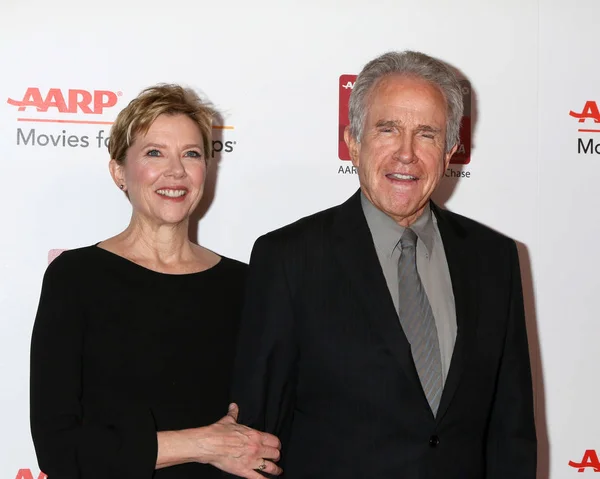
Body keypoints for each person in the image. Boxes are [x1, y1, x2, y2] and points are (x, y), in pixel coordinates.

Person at [231, 51, 537, 478]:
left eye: (426, 134)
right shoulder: (288, 258)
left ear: (450, 151)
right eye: (388, 129)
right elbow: (256, 438)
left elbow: (512, 430)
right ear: (353, 141)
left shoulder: (495, 259)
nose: (406, 153)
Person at [30, 84, 282, 479]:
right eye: (154, 153)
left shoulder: (245, 283)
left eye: (191, 154)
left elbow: (264, 428)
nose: (176, 171)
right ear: (119, 172)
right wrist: (204, 444)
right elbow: (58, 448)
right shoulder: (75, 278)